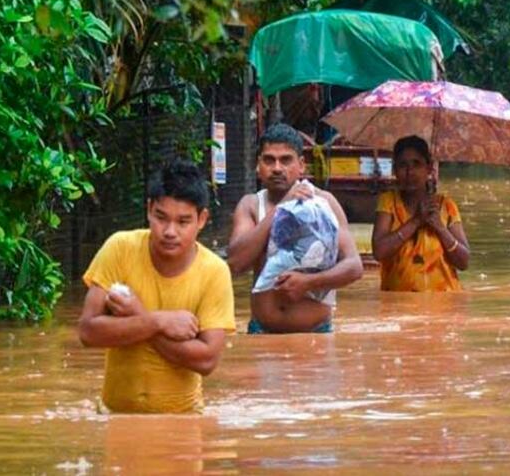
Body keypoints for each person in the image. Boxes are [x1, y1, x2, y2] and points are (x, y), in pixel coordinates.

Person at [78, 159, 235, 413]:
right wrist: (156, 321)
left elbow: (207, 360)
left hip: (183, 422)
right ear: (150, 209)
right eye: (161, 217)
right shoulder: (119, 247)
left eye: (183, 222)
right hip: (115, 417)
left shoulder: (214, 272)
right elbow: (87, 332)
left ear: (202, 219)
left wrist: (138, 315)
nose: (170, 231)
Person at [228, 122, 363, 334]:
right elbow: (235, 264)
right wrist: (281, 209)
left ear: (301, 165)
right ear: (258, 166)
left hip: (317, 333)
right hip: (263, 332)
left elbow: (354, 267)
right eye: (269, 160)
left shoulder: (325, 203)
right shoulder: (251, 205)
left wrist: (309, 282)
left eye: (286, 160)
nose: (277, 168)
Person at [371, 135, 469, 291]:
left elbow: (464, 262)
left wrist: (440, 228)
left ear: (429, 168)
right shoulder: (388, 202)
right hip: (398, 307)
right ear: (395, 170)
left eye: (417, 164)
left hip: (443, 305)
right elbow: (379, 252)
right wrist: (416, 221)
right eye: (403, 165)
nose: (410, 172)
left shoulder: (446, 206)